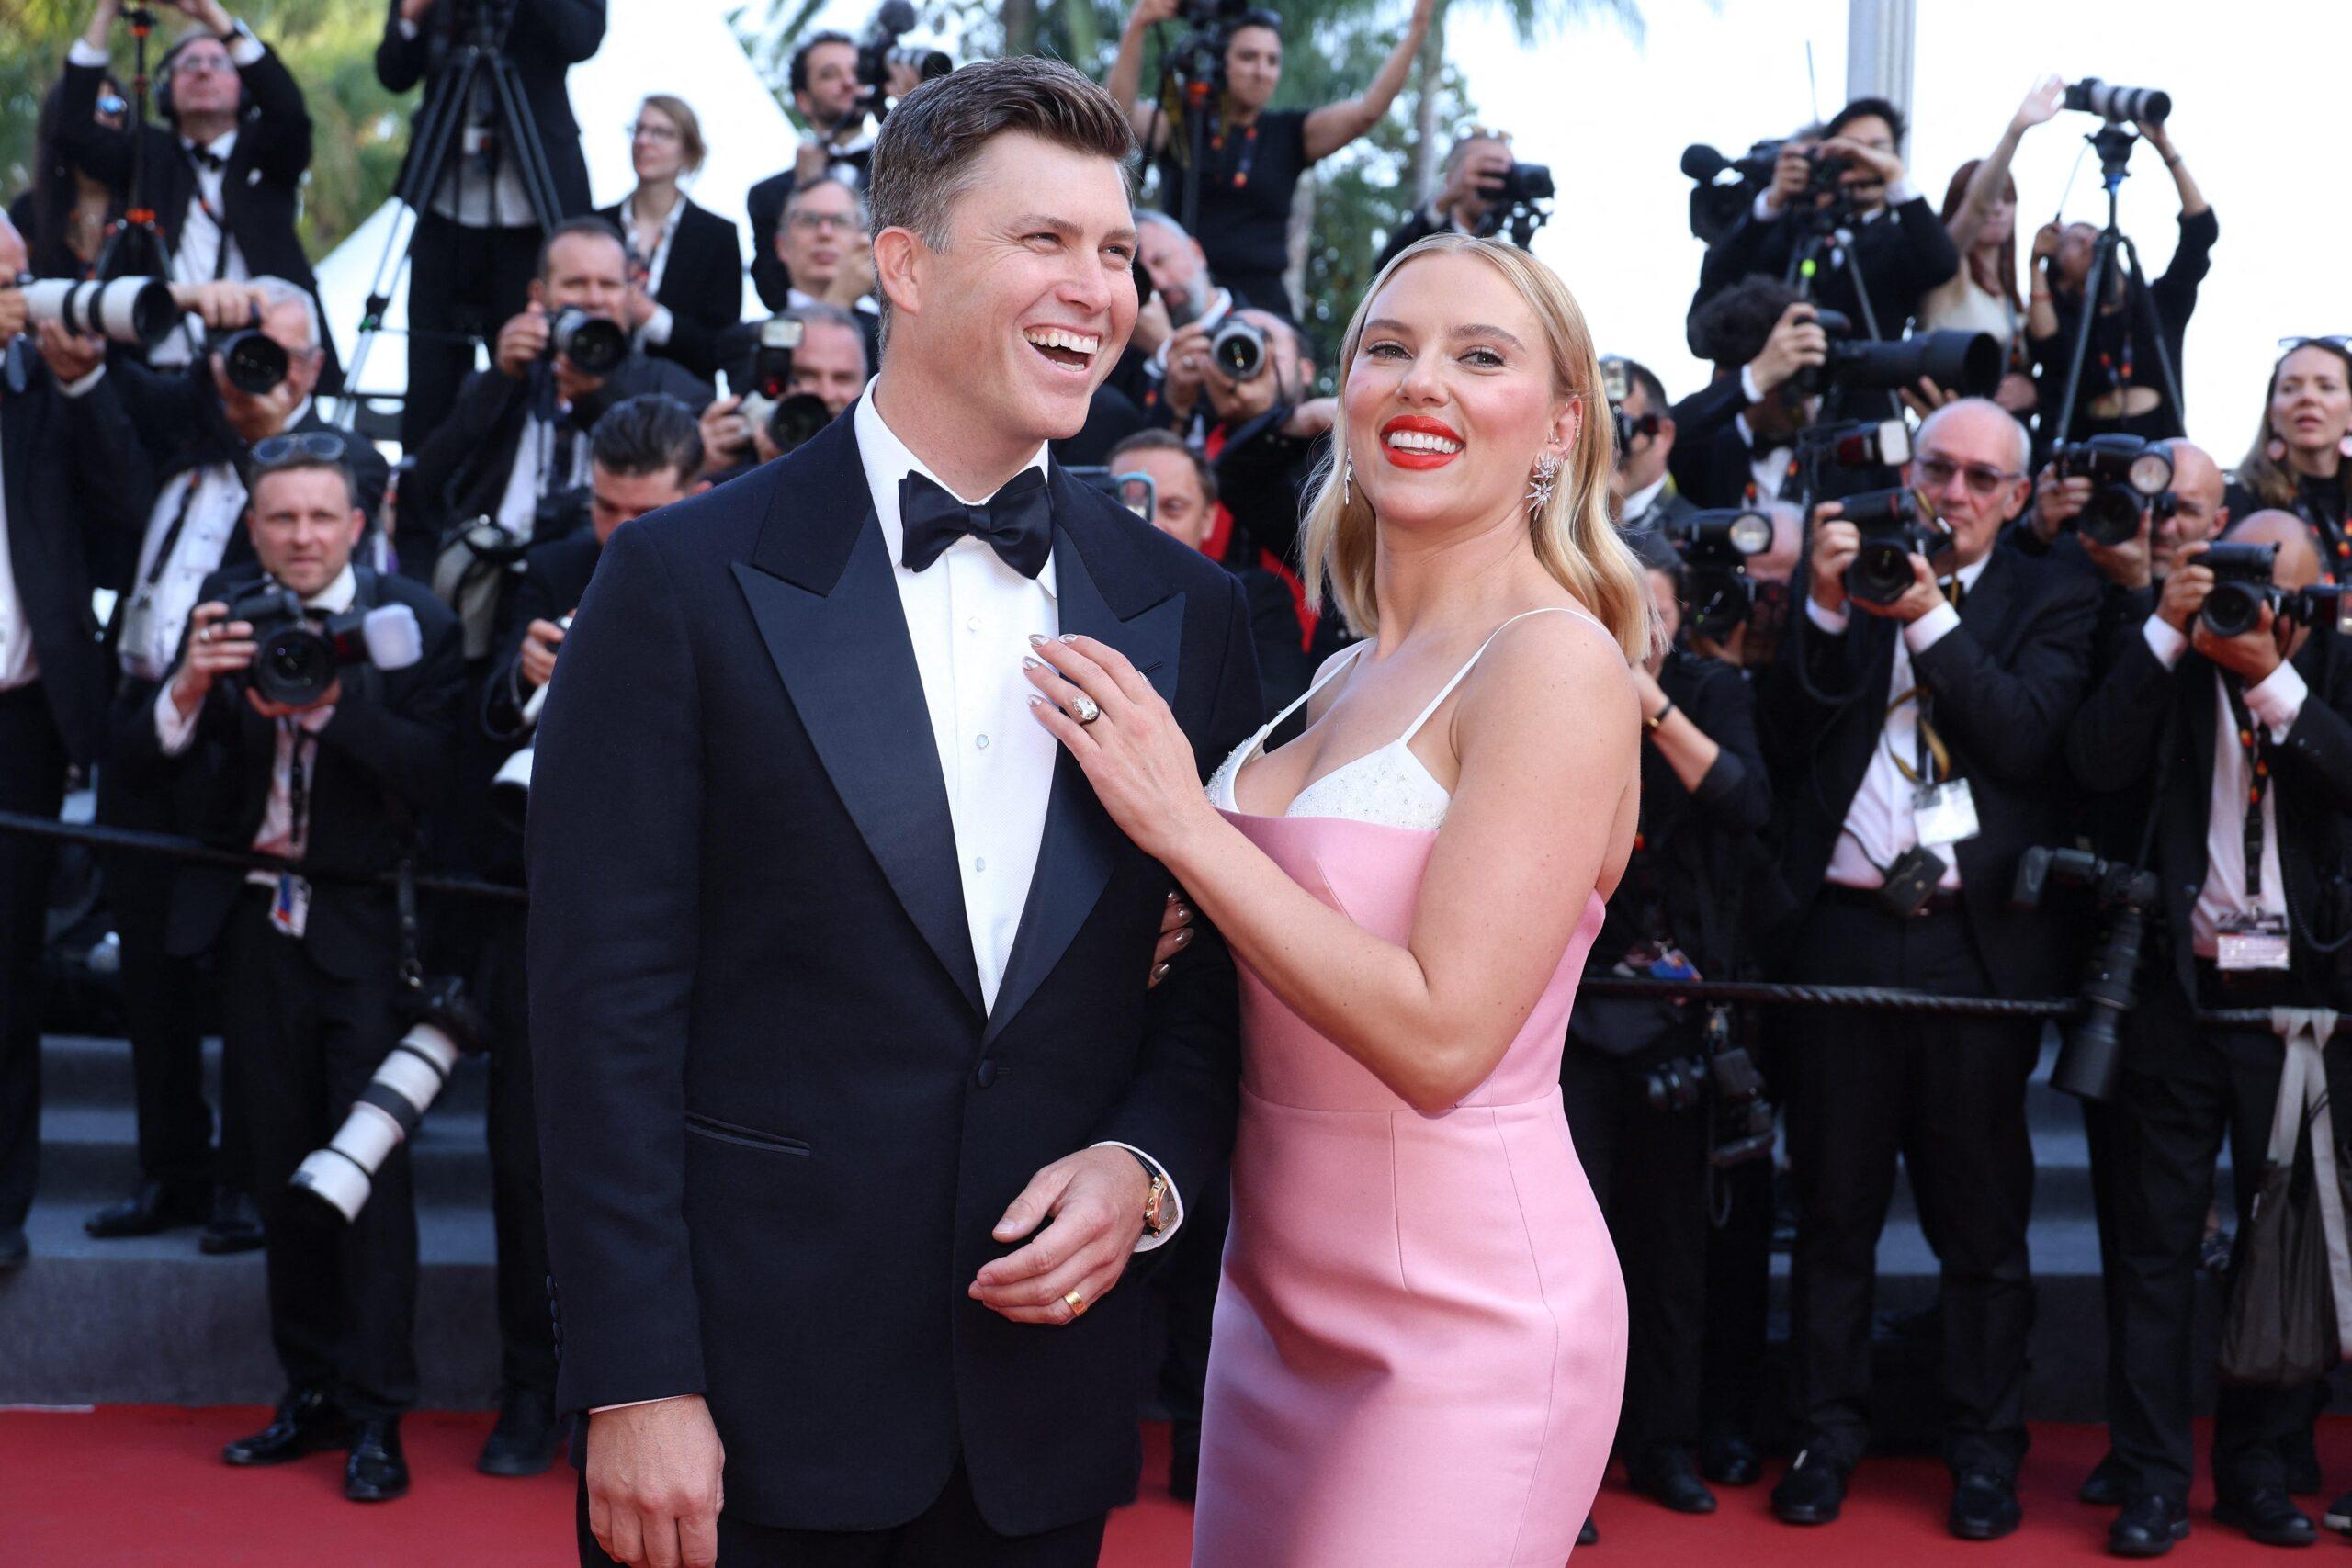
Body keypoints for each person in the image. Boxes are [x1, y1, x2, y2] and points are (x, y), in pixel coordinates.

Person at [532, 58, 1261, 1568]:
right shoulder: (678, 580)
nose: (1098, 287)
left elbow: (1214, 983)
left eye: (1115, 249)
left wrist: (1145, 1168)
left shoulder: (1189, 611)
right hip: (745, 1402)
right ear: (906, 267)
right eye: (1044, 239)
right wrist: (636, 1374)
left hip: (1039, 1412)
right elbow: (601, 1014)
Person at [1025, 231, 1639, 1565]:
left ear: (1559, 425)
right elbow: (1267, 938)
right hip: (1269, 1306)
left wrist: (1186, 826)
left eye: (1480, 356)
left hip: (1466, 1323)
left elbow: (1441, 1038)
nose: (1423, 382)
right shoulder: (1339, 672)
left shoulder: (1555, 663)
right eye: (1390, 348)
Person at [1758, 399, 2098, 1540]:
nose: (1952, 494)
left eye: (1978, 479)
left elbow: (2024, 737)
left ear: (2016, 495)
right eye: (1936, 471)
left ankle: (1984, 1455)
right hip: (1843, 931)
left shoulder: (2052, 594)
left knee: (1981, 1226)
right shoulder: (1852, 573)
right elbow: (1785, 736)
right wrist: (1822, 606)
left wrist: (1927, 617)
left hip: (1973, 943)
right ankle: (1823, 1438)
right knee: (1832, 1211)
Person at [112, 441, 462, 1503]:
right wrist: (188, 685)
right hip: (255, 929)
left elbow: (442, 778)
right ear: (254, 528)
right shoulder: (226, 612)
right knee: (275, 1169)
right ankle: (309, 1391)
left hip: (366, 934)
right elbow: (140, 767)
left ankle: (378, 1413)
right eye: (281, 518)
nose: (302, 537)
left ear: (358, 523)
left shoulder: (415, 621)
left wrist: (329, 709)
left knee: (366, 1180)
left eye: (320, 517)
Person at [62, 276, 387, 1253]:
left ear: (313, 368)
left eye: (273, 351)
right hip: (147, 719)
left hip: (254, 739)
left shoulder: (344, 473)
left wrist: (273, 430)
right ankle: (170, 1167)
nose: (249, 368)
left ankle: (248, 1179)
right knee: (148, 972)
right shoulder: (181, 444)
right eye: (236, 347)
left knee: (253, 981)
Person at [2065, 511, 2352, 1556]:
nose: (2254, 610)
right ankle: (2150, 1480)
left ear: (2317, 601)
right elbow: (2091, 764)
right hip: (2178, 1002)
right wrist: (2164, 629)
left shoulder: (2336, 671)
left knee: (2282, 1252)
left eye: (2280, 594)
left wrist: (2273, 680)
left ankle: (2256, 1473)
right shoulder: (2171, 664)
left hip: (2304, 1006)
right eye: (2238, 585)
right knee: (2153, 1253)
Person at [1564, 529, 1770, 1535]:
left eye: (1652, 610)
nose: (1634, 626)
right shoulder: (1547, 685)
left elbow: (1744, 802)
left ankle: (1663, 1444)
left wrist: (1646, 698)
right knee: (1572, 1251)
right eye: (1615, 605)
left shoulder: (1707, 691)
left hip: (1680, 1006)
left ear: (1680, 618)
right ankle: (1567, 1462)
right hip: (1565, 1011)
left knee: (1673, 1247)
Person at [0, 220, 151, 1270]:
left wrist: (84, 385)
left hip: (20, 720)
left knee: (8, 969)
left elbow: (131, 517)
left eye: (22, 278)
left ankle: (2, 1208)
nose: (20, 299)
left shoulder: (44, 393)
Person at [397, 217, 711, 578]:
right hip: (495, 574)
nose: (594, 299)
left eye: (608, 284)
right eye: (576, 283)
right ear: (539, 295)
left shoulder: (666, 386)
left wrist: (596, 399)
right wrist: (500, 378)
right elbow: (428, 479)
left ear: (630, 293)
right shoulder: (512, 374)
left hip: (614, 572)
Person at [59, 0, 339, 385]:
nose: (204, 70)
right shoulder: (146, 153)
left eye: (219, 63)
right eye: (190, 63)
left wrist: (212, 15)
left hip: (264, 366)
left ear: (242, 87)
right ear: (167, 89)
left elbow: (288, 111)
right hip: (160, 371)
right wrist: (106, 12)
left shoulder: (269, 151)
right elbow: (75, 131)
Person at [1105, 0, 1437, 321]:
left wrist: (1418, 28)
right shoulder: (1181, 124)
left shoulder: (1292, 133)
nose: (1261, 71)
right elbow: (1117, 118)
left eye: (1272, 60)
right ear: (1221, 62)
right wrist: (1138, 24)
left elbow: (1367, 111)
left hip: (1263, 308)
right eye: (1248, 57)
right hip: (1179, 299)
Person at [378, 0, 607, 452]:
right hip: (443, 207)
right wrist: (410, 16)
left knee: (526, 369)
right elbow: (394, 73)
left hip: (531, 212)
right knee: (430, 374)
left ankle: (521, 481)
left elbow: (581, 40)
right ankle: (422, 478)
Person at [1690, 96, 1960, 344]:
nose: (1861, 162)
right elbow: (1714, 292)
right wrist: (1772, 202)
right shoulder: (1788, 233)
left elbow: (1942, 264)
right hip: (1778, 377)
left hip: (1867, 377)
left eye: (1876, 150)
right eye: (1850, 151)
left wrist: (1896, 179)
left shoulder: (1902, 238)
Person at [2026, 115, 2212, 450]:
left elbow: (2200, 233)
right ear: (2061, 275)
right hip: (2088, 451)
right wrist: (2035, 263)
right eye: (2072, 243)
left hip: (2159, 452)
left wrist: (2165, 149)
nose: (2089, 242)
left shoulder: (2157, 305)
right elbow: (2047, 346)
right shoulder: (2074, 325)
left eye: (2092, 233)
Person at [744, 30, 925, 312]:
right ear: (803, 99)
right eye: (830, 75)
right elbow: (774, 294)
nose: (849, 82)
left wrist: (917, 116)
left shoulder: (907, 167)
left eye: (857, 72)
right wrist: (806, 189)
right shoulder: (769, 195)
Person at [1923, 76, 2065, 417]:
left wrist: (2031, 389)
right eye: (1994, 198)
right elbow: (1979, 204)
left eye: (2008, 198)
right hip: (1955, 424)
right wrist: (2015, 133)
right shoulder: (1948, 274)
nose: (1998, 209)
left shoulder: (2011, 293)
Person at [597, 95, 743, 384]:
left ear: (688, 151)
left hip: (679, 395)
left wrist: (653, 318)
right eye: (638, 130)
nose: (643, 141)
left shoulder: (717, 236)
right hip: (596, 386)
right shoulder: (597, 224)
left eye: (661, 133)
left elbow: (721, 345)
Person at [2224, 338, 2352, 581]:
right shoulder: (2239, 504)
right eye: (2290, 388)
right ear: (2272, 415)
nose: (2307, 398)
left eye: (2327, 387)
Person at [14, 68, 130, 280]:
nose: (100, 118)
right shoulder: (27, 212)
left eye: (112, 106)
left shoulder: (143, 206)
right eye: (87, 108)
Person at [1373, 127, 1517, 268]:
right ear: (1451, 178)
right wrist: (1443, 202)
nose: (1495, 184)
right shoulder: (1424, 236)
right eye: (1485, 172)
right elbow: (1386, 269)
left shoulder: (1514, 253)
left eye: (1505, 174)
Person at [1606, 355, 1690, 536]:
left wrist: (1612, 524)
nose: (1607, 449)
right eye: (1593, 430)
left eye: (1618, 428)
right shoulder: (1561, 522)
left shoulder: (1691, 533)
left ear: (1662, 436)